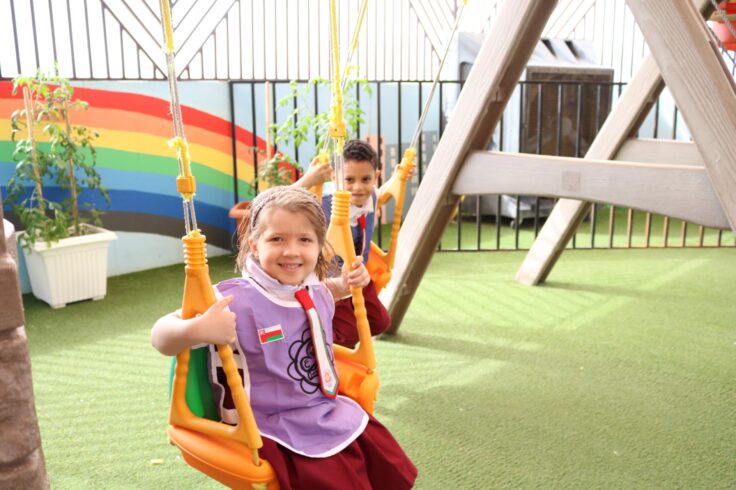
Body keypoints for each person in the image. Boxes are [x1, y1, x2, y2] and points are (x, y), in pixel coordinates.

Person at [151, 186, 417, 489]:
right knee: (333, 475)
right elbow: (160, 336)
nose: (291, 251)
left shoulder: (313, 288)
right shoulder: (232, 299)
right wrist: (196, 330)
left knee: (380, 453)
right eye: (277, 239)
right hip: (268, 420)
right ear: (254, 244)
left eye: (304, 240)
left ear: (319, 247)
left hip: (319, 404)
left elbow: (319, 296)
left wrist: (346, 286)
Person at [294, 139, 392, 349]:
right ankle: (316, 351)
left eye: (366, 179)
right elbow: (275, 204)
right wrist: (308, 180)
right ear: (334, 177)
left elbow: (386, 191)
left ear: (375, 177)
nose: (357, 187)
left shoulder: (372, 195)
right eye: (349, 180)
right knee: (344, 336)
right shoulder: (322, 201)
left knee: (380, 321)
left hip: (357, 275)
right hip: (328, 281)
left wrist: (401, 177)